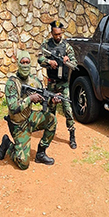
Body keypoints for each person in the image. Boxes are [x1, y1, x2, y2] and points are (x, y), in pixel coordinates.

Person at [0, 50, 60, 169]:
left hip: (29, 118)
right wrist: (30, 99)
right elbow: (13, 107)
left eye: (27, 62)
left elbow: (43, 99)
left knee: (51, 119)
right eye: (23, 62)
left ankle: (41, 154)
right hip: (18, 125)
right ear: (18, 63)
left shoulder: (34, 81)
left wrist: (52, 100)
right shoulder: (12, 83)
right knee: (23, 164)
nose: (25, 65)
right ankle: (8, 144)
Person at [38, 20, 78, 149]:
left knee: (67, 108)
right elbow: (40, 58)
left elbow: (75, 64)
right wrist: (49, 62)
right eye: (56, 34)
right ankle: (49, 133)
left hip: (63, 83)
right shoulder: (46, 45)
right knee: (51, 109)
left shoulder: (66, 46)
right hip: (52, 83)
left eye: (60, 34)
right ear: (51, 33)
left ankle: (72, 134)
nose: (58, 36)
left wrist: (68, 60)